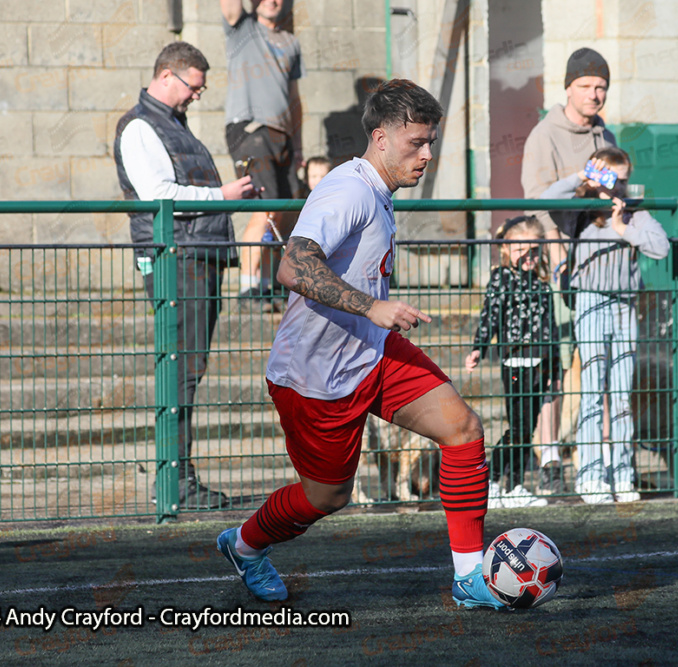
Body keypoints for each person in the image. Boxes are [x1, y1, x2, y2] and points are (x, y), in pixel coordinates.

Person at [217, 79, 505, 610]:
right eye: (416, 143)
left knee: (463, 431)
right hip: (315, 375)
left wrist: (374, 319)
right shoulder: (348, 188)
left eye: (431, 142)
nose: (426, 155)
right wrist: (373, 307)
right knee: (325, 496)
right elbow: (292, 264)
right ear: (379, 137)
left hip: (372, 352)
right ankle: (245, 545)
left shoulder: (379, 188)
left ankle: (468, 576)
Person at [113, 41, 256, 510]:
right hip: (179, 260)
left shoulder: (173, 126)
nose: (198, 95)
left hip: (198, 257)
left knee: (187, 370)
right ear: (169, 76)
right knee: (180, 371)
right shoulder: (139, 126)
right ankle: (176, 483)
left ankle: (179, 479)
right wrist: (224, 195)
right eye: (195, 86)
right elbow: (158, 195)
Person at [541, 147, 670, 504]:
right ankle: (591, 476)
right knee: (593, 391)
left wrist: (622, 228)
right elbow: (546, 199)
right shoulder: (579, 213)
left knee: (621, 393)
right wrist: (581, 178)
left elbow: (660, 248)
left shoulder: (632, 213)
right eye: (612, 178)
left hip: (625, 306)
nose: (618, 187)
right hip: (590, 302)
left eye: (623, 180)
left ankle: (623, 474)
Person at [520, 47, 616, 491]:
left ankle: (600, 457)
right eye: (586, 86)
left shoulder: (605, 136)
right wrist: (555, 249)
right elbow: (536, 200)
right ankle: (548, 458)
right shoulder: (545, 133)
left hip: (597, 266)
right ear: (568, 87)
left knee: (598, 359)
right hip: (556, 265)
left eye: (601, 87)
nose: (595, 94)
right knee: (555, 362)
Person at [464, 216, 560, 509]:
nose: (529, 257)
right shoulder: (502, 278)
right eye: (522, 251)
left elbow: (550, 325)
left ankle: (515, 485)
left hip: (540, 361)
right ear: (508, 250)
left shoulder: (542, 283)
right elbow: (490, 315)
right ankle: (491, 480)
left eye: (535, 250)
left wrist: (553, 363)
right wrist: (479, 347)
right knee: (517, 428)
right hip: (516, 361)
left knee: (528, 429)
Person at [220, 0, 305, 311]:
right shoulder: (242, 29)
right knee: (264, 208)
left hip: (282, 135)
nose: (273, 1)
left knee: (284, 211)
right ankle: (248, 286)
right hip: (249, 130)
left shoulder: (290, 42)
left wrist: (298, 147)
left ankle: (268, 285)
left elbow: (294, 99)